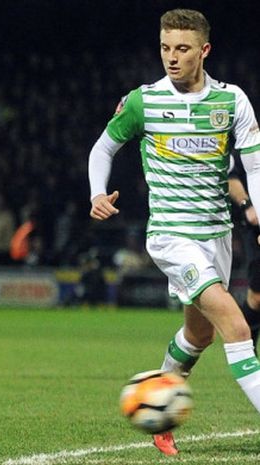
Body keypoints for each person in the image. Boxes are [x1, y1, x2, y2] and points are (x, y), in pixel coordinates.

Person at [88, 9, 260, 457]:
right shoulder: (144, 101)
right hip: (171, 235)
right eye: (165, 47)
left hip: (217, 235)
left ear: (204, 50)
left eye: (182, 48)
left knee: (198, 336)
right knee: (237, 326)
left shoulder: (232, 101)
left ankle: (158, 405)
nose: (171, 57)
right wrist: (96, 193)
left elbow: (253, 164)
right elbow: (103, 147)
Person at [228, 165, 260, 352]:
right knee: (257, 298)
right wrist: (246, 205)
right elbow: (230, 175)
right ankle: (246, 350)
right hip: (254, 225)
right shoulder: (247, 139)